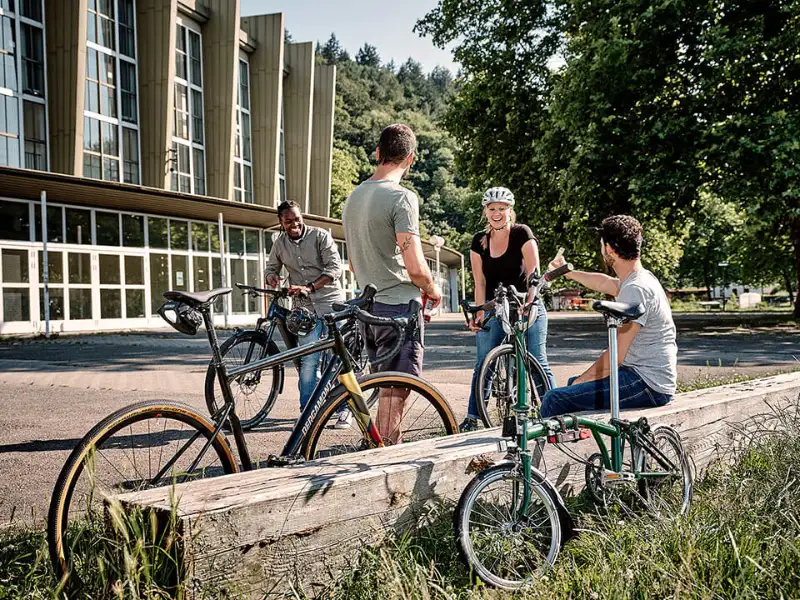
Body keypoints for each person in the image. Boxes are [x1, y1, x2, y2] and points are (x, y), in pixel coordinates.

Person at [342, 123, 442, 443]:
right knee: (399, 388)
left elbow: (353, 263)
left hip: (367, 306)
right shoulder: (402, 198)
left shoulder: (353, 198)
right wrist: (432, 288)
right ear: (410, 159)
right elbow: (414, 264)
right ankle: (387, 457)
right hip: (399, 306)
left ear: (377, 153)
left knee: (384, 385)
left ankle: (382, 446)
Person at [540, 215, 677, 417]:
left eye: (602, 245)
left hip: (647, 384)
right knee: (571, 387)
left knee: (556, 399)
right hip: (645, 377)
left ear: (609, 249)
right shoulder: (638, 278)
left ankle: (540, 449)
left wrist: (581, 380)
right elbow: (603, 283)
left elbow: (616, 356)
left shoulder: (636, 288)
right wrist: (566, 272)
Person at [460, 187, 556, 432]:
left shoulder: (522, 233)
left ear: (510, 211)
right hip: (496, 304)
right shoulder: (479, 241)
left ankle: (555, 414)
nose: (497, 213)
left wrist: (531, 302)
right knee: (484, 363)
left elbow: (535, 274)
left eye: (502, 209)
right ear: (486, 212)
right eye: (492, 209)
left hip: (526, 300)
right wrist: (480, 312)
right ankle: (473, 417)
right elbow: (480, 281)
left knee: (537, 360)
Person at [264, 200, 345, 417]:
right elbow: (271, 267)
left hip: (331, 304)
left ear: (302, 217)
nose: (294, 224)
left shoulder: (320, 236)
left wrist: (310, 287)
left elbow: (335, 268)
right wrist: (271, 276)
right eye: (288, 221)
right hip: (304, 310)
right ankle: (307, 414)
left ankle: (344, 408)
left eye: (297, 219)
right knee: (309, 361)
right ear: (281, 222)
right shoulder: (279, 244)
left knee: (337, 357)